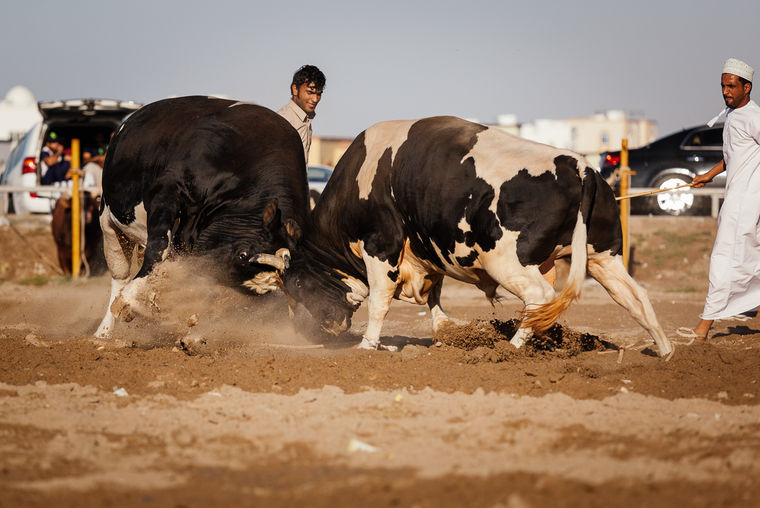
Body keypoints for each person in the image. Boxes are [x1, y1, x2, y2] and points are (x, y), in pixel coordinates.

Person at [677, 58, 760, 341]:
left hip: (746, 201)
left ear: (746, 87)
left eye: (731, 86)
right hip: (737, 198)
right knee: (750, 256)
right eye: (723, 86)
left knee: (724, 259)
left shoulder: (753, 118)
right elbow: (731, 157)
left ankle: (704, 326)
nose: (726, 91)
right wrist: (707, 175)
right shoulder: (733, 115)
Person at [277, 64, 326, 163]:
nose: (315, 99)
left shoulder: (305, 120)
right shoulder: (283, 121)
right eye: (310, 92)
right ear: (295, 89)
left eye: (319, 94)